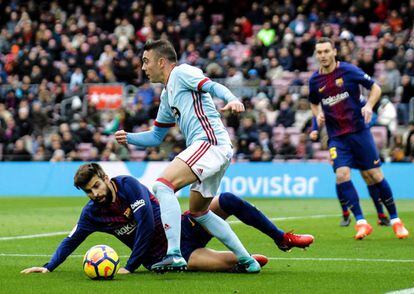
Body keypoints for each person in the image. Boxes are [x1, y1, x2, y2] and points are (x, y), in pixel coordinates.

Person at [115, 39, 258, 272]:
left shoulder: (182, 73)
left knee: (162, 185)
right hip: (213, 149)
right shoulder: (166, 95)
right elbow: (156, 137)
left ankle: (174, 253)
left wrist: (232, 98)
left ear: (161, 62)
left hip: (209, 143)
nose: (143, 67)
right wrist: (128, 137)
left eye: (146, 61)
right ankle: (246, 260)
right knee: (200, 212)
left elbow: (211, 86)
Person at [20, 163, 314, 274]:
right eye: (88, 191)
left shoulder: (128, 185)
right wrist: (48, 267)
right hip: (169, 256)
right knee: (229, 264)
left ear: (105, 178)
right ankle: (241, 258)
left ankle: (282, 238)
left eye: (96, 185)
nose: (94, 193)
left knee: (227, 200)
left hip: (184, 226)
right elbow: (72, 240)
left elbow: (147, 222)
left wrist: (130, 267)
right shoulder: (92, 214)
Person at [308, 38, 409, 240]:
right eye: (319, 52)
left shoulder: (348, 71)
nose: (323, 55)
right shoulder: (314, 80)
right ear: (316, 55)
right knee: (342, 175)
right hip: (337, 137)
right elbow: (313, 102)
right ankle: (361, 223)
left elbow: (376, 88)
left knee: (374, 175)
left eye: (326, 51)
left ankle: (396, 220)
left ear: (334, 52)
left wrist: (369, 106)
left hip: (359, 132)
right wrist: (318, 113)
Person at [310, 117, 390, 227]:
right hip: (337, 138)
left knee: (368, 176)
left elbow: (366, 109)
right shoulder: (327, 102)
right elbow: (317, 109)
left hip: (356, 137)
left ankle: (381, 215)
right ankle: (346, 213)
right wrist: (315, 128)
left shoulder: (352, 101)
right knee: (341, 175)